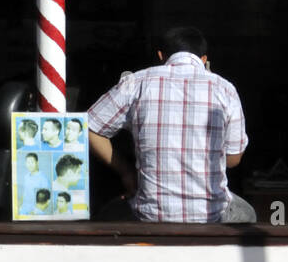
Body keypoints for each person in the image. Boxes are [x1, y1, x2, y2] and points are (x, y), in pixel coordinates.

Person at [86, 26, 254, 223]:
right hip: (212, 214)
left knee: (105, 214)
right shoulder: (225, 89)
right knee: (248, 214)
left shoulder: (136, 82)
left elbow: (88, 127)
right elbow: (233, 159)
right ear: (204, 60)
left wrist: (126, 171)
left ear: (160, 56)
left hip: (149, 214)